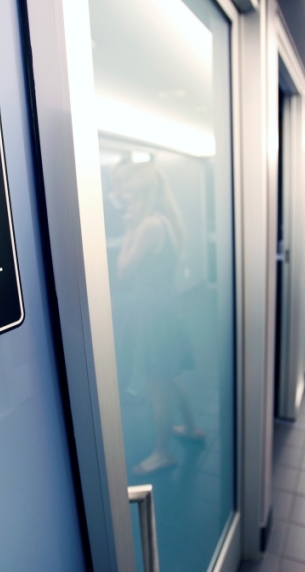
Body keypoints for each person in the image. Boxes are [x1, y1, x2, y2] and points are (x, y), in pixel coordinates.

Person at [112, 161, 202, 476]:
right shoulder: (167, 219)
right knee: (171, 376)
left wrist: (128, 230)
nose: (126, 197)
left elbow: (124, 269)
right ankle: (191, 428)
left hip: (154, 315)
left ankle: (163, 453)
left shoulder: (148, 224)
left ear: (143, 192)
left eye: (131, 191)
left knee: (157, 386)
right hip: (167, 309)